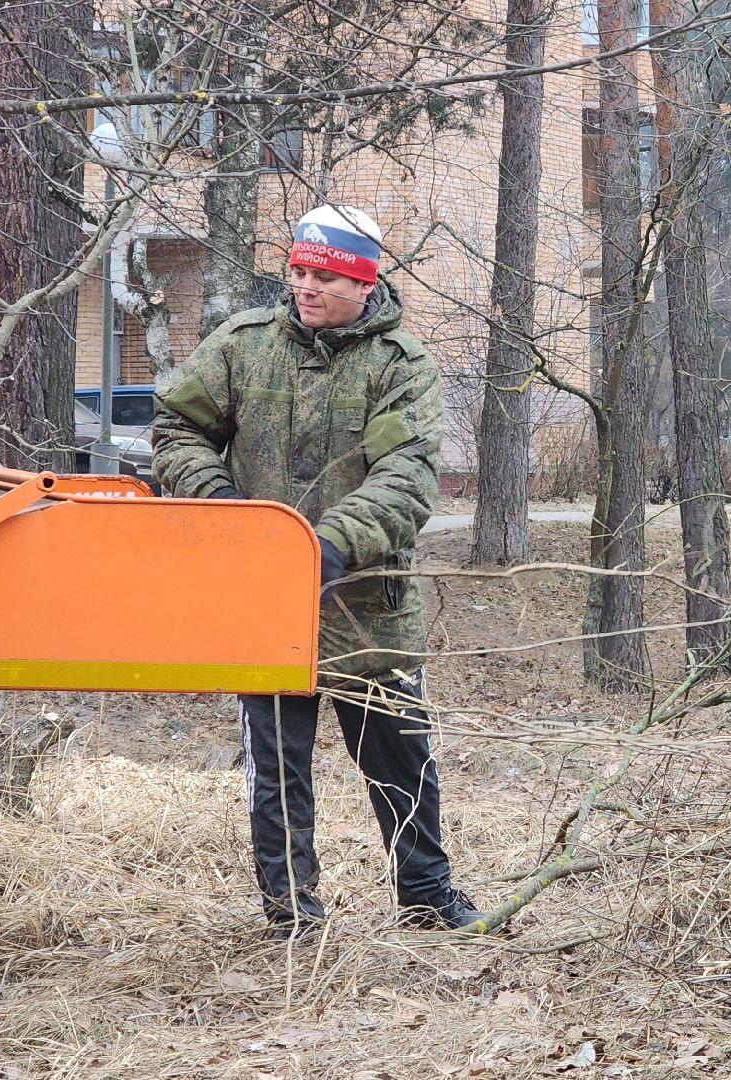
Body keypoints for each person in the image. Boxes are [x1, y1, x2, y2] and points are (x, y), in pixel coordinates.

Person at [151, 204, 483, 935]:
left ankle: (427, 899)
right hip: (262, 604)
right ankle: (291, 915)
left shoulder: (403, 368)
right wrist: (223, 509)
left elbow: (407, 476)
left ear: (364, 284)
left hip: (367, 604)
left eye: (324, 277)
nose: (306, 287)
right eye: (298, 272)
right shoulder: (242, 346)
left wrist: (327, 545)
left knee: (401, 765)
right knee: (276, 771)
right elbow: (177, 431)